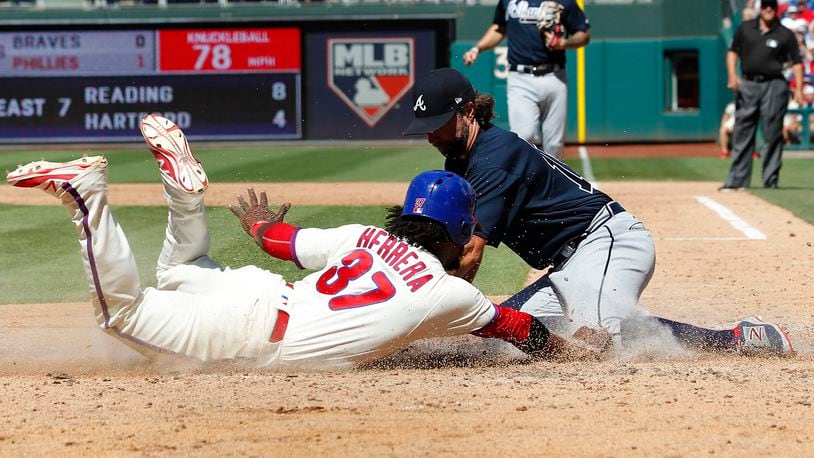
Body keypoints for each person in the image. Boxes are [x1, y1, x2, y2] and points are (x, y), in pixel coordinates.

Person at [5, 114, 604, 370]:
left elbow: (280, 241)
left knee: (183, 268)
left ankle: (187, 199)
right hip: (247, 334)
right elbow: (522, 331)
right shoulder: (450, 294)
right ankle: (87, 193)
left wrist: (264, 227)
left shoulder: (364, 237)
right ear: (457, 233)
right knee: (122, 313)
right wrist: (575, 352)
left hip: (254, 290)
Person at [404, 67, 794, 355]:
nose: (430, 135)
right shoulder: (460, 159)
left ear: (469, 112)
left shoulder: (493, 159)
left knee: (596, 343)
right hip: (569, 269)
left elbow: (469, 255)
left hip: (607, 240)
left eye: (438, 124)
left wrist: (424, 310)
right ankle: (614, 312)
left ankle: (737, 339)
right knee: (499, 341)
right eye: (426, 126)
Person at [461, 0, 590, 160]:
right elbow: (499, 28)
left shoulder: (564, 1)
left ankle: (552, 183)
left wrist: (564, 42)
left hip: (554, 75)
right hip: (520, 78)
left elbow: (583, 33)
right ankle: (527, 181)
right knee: (524, 136)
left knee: (554, 145)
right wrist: (477, 48)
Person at [720, 0, 805, 191]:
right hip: (749, 83)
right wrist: (733, 76)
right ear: (760, 8)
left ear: (776, 9)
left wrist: (799, 88)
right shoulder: (746, 28)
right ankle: (737, 181)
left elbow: (797, 62)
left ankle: (770, 181)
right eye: (765, 5)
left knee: (773, 133)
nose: (768, 9)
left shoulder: (785, 34)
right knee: (742, 131)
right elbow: (733, 52)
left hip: (775, 84)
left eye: (772, 6)